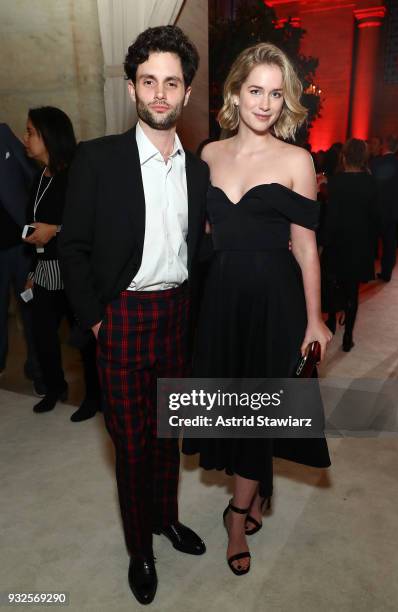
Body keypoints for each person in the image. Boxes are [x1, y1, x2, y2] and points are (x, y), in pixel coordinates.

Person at [59, 26, 209, 605]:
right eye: (149, 81)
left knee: (167, 433)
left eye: (172, 82)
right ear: (131, 89)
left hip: (176, 317)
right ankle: (139, 549)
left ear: (187, 92)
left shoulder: (197, 171)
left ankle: (167, 520)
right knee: (131, 442)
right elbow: (72, 249)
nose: (161, 93)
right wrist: (97, 319)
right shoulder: (98, 160)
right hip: (121, 317)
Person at [183, 43, 332, 576]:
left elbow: (307, 248)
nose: (265, 103)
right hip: (221, 300)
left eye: (275, 92)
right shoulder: (208, 154)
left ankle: (237, 513)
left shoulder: (296, 160)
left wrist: (315, 319)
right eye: (255, 90)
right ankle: (250, 492)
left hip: (276, 302)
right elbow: (198, 235)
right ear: (235, 92)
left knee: (258, 415)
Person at [23, 106, 100, 419]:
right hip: (44, 269)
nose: (25, 138)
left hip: (72, 271)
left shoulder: (75, 174)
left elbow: (93, 225)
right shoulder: (39, 175)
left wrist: (54, 230)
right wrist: (31, 269)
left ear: (48, 136)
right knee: (42, 335)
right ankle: (55, 388)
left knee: (85, 341)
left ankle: (94, 397)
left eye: (30, 132)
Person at [321, 138, 378, 351]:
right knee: (352, 291)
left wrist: (324, 242)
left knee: (333, 282)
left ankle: (332, 321)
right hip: (360, 243)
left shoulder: (336, 182)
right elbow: (375, 217)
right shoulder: (371, 182)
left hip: (338, 241)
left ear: (344, 156)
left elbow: (331, 217)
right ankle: (348, 337)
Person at [0, 122, 44, 393]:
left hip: (20, 244)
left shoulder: (2, 133)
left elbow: (31, 172)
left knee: (31, 310)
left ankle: (39, 370)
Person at [370, 135, 398, 282]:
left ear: (384, 146)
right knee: (389, 243)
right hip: (392, 210)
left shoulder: (374, 163)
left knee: (370, 242)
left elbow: (370, 188)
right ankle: (387, 273)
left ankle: (367, 272)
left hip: (375, 209)